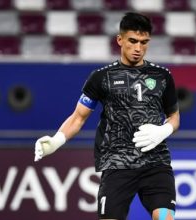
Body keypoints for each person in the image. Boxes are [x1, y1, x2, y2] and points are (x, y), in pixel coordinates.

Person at [34, 12, 180, 220]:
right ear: (120, 40)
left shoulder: (163, 76)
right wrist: (57, 140)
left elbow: (174, 116)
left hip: (156, 163)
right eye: (133, 41)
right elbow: (78, 117)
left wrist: (164, 130)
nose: (138, 48)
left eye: (144, 42)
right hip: (117, 164)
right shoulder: (101, 78)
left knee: (165, 217)